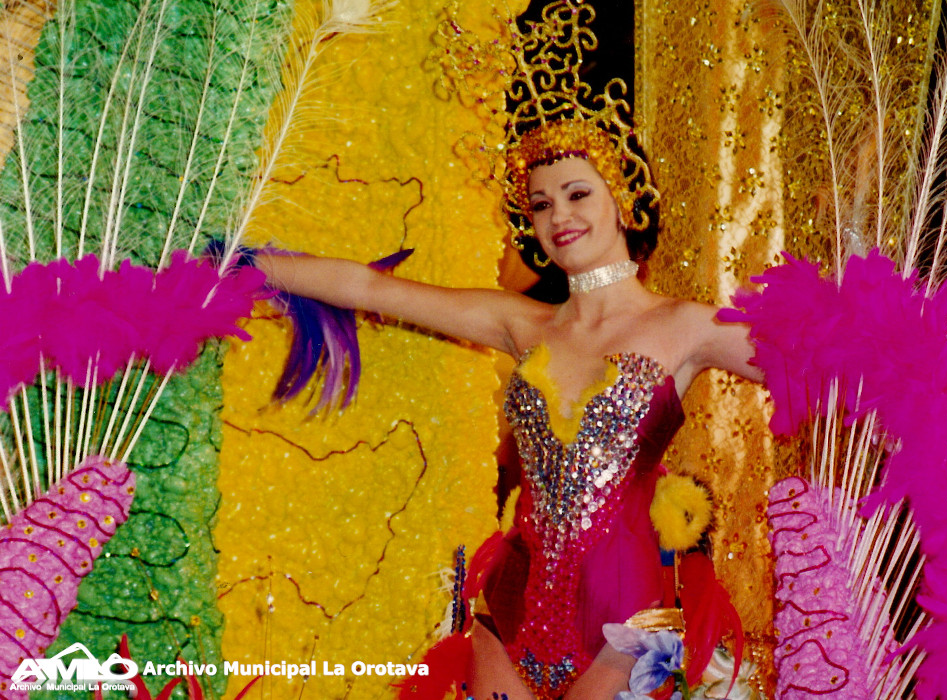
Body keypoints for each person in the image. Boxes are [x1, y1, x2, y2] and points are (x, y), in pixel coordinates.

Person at [254, 117, 762, 699]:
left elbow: (814, 360)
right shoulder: (520, 323)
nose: (559, 216)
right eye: (541, 204)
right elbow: (371, 290)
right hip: (506, 616)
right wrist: (239, 263)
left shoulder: (687, 326)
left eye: (577, 194)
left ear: (624, 198)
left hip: (628, 628)